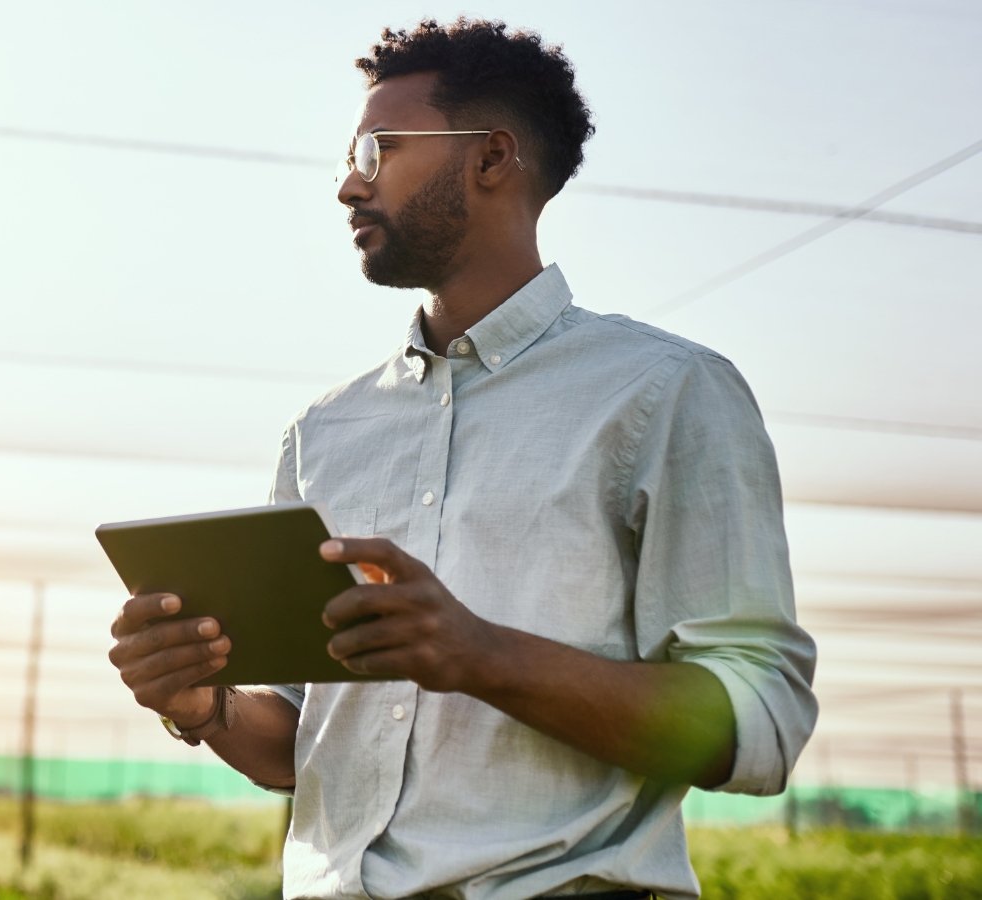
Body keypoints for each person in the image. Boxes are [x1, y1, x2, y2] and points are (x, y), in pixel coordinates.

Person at [107, 17, 817, 900]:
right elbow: (304, 742)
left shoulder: (666, 392)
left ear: (491, 159)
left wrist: (480, 653)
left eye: (376, 150)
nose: (346, 187)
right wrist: (203, 706)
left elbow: (761, 721)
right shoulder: (323, 430)